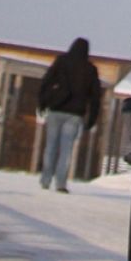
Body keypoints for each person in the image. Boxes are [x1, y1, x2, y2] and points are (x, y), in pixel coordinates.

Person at [37, 37, 101, 191]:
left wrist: (42, 103)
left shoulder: (62, 61)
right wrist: (91, 118)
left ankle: (45, 180)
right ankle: (61, 184)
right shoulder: (90, 69)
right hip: (75, 114)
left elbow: (47, 81)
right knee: (66, 150)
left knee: (51, 146)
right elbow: (95, 96)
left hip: (56, 110)